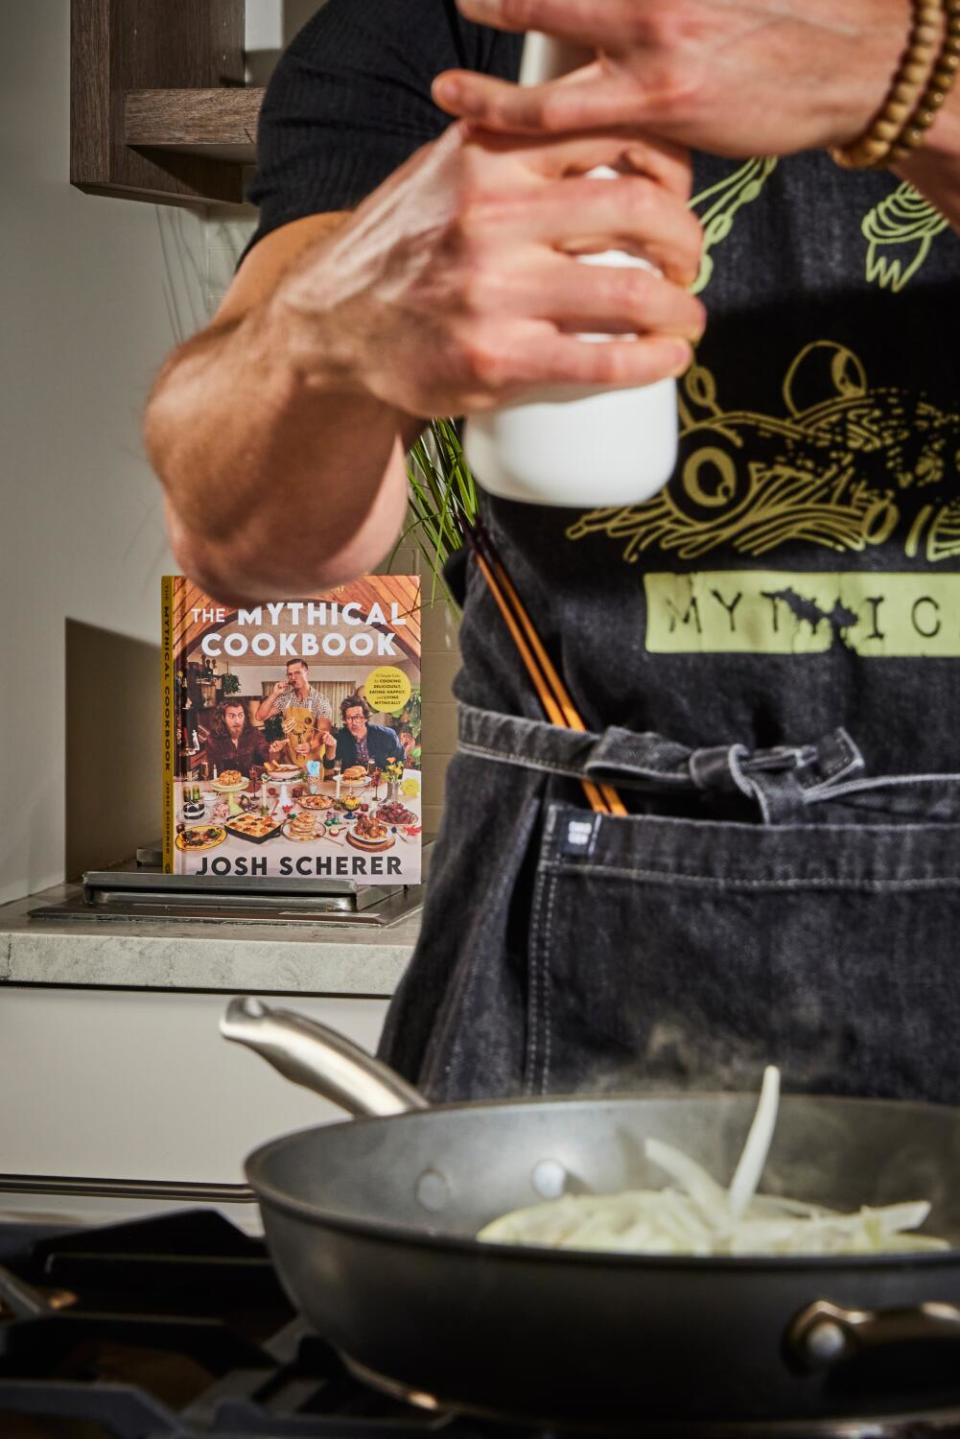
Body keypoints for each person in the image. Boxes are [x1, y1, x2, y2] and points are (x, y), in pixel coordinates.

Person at [146, 1, 960, 1105]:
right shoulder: (453, 26)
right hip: (576, 951)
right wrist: (327, 330)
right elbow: (237, 536)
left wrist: (904, 79)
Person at [255, 657, 337, 766]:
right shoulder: (285, 699)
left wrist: (310, 745)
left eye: (297, 673)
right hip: (289, 764)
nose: (293, 677)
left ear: (306, 672)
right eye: (290, 674)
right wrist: (274, 694)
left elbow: (323, 731)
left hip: (312, 765)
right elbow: (260, 716)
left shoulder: (321, 700)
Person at [205, 700, 285, 780]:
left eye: (240, 715)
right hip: (225, 787)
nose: (237, 721)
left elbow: (267, 760)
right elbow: (213, 773)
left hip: (251, 787)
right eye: (232, 716)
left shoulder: (254, 734)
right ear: (223, 718)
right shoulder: (213, 739)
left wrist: (273, 753)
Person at [334, 695, 404, 772]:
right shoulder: (341, 736)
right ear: (345, 720)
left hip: (380, 781)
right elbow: (328, 765)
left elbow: (400, 759)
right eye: (349, 718)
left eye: (357, 717)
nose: (353, 722)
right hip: (351, 782)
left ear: (365, 718)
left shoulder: (386, 735)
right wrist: (330, 749)